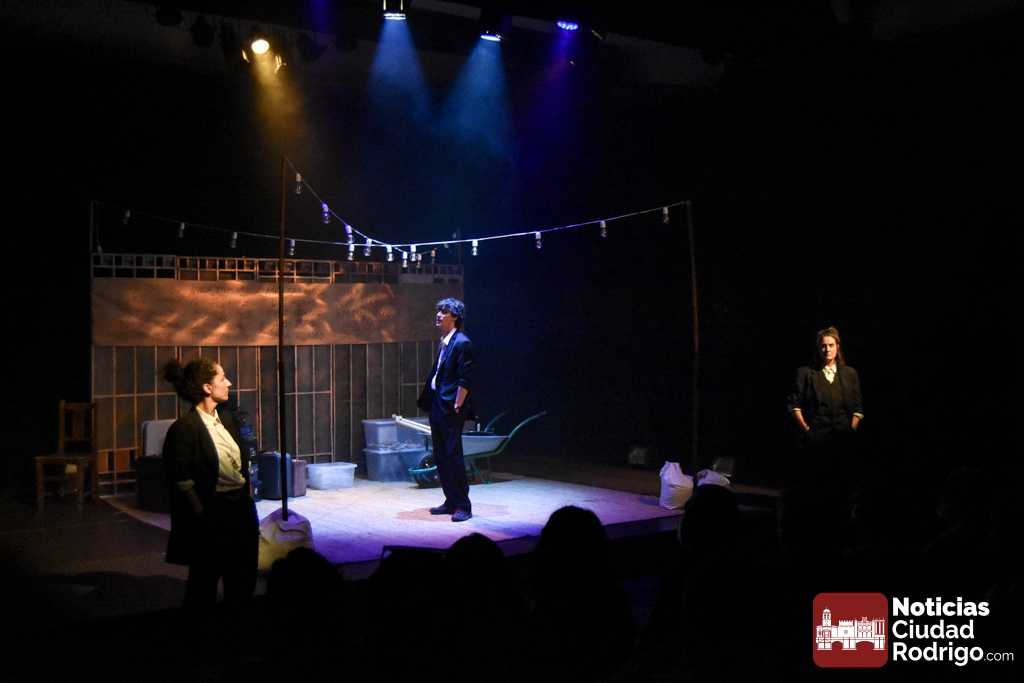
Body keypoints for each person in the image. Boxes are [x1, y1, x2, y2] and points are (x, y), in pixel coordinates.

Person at [161, 357, 259, 613]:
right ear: (207, 387)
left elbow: (239, 465)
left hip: (239, 509)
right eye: (222, 378)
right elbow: (181, 480)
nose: (229, 383)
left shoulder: (227, 420)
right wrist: (202, 513)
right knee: (204, 585)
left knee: (243, 580)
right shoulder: (185, 428)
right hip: (213, 512)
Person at [785, 326, 865, 535]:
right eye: (823, 346)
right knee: (818, 485)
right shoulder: (806, 373)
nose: (827, 350)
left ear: (838, 347)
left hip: (843, 439)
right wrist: (807, 429)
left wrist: (851, 429)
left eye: (831, 345)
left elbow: (858, 407)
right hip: (816, 440)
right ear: (818, 348)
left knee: (842, 486)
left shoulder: (849, 374)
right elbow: (794, 405)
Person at [417, 297, 476, 522]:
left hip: (451, 407)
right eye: (439, 310)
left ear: (455, 317)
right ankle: (450, 500)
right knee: (441, 455)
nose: (439, 315)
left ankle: (463, 505)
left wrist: (458, 404)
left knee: (453, 455)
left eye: (444, 312)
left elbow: (466, 378)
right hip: (438, 405)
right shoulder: (446, 341)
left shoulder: (462, 343)